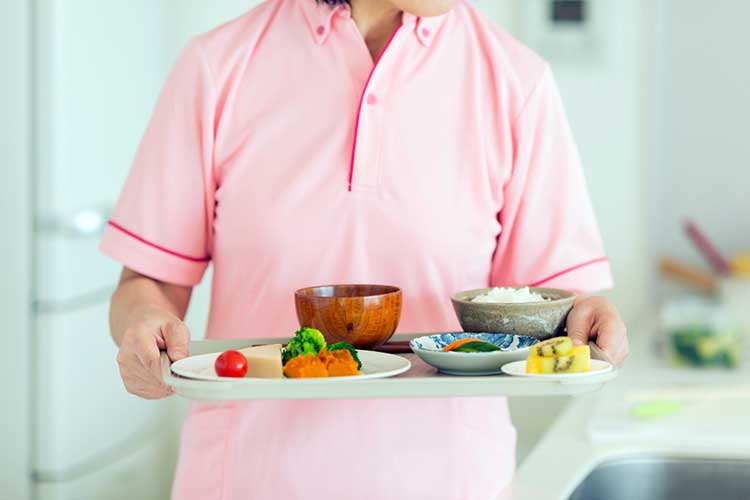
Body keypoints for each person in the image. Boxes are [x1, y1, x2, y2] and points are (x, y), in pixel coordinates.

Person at [102, 0, 629, 498]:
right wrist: (144, 325)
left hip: (449, 480)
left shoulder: (516, 82)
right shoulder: (218, 66)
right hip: (248, 477)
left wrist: (589, 315)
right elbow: (149, 282)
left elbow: (552, 303)